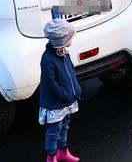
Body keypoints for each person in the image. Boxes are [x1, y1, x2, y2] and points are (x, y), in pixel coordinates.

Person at [39, 18, 82, 162]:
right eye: (69, 38)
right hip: (56, 103)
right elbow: (50, 83)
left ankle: (63, 152)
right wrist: (64, 94)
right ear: (61, 40)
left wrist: (76, 89)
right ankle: (51, 157)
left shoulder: (64, 53)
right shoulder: (47, 59)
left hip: (67, 100)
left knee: (65, 126)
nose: (71, 40)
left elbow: (71, 72)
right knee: (54, 131)